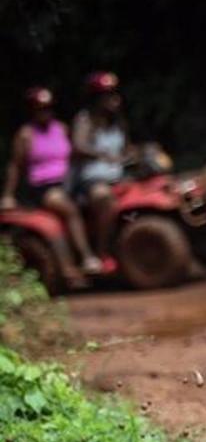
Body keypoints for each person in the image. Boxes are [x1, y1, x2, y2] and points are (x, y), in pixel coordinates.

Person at [2, 87, 104, 284]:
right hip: (43, 187)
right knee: (68, 208)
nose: (45, 112)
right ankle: (87, 258)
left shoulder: (61, 129)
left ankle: (103, 252)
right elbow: (15, 166)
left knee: (97, 199)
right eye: (40, 109)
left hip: (69, 183)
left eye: (48, 108)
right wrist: (8, 195)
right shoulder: (25, 135)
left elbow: (75, 157)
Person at [71, 71, 129, 254]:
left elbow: (125, 150)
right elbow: (78, 146)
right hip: (93, 180)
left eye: (115, 93)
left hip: (119, 175)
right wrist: (101, 154)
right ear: (96, 99)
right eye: (107, 95)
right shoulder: (85, 120)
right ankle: (102, 251)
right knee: (104, 198)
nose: (114, 98)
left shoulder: (118, 122)